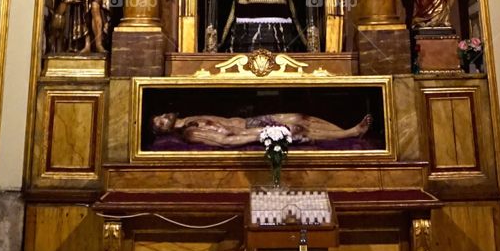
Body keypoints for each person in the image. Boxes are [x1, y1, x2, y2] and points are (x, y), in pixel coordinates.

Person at [151, 110, 372, 147]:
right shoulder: (191, 132)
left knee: (301, 117)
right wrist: (262, 134)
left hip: (250, 121)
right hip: (250, 132)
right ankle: (350, 133)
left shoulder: (188, 118)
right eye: (161, 123)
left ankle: (348, 129)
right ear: (166, 131)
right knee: (298, 129)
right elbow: (227, 141)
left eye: (160, 115)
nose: (164, 117)